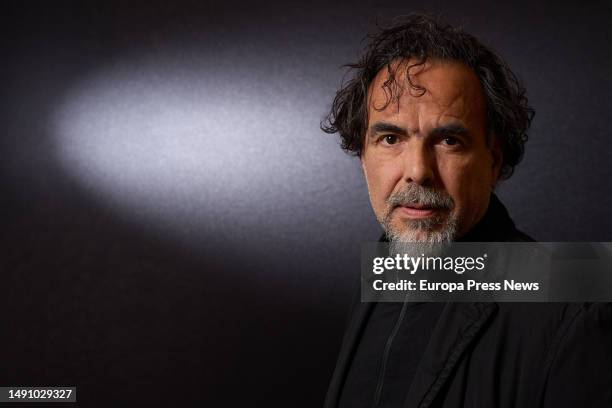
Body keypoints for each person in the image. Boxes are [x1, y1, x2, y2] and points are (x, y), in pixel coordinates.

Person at [321, 14, 612, 408]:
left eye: (448, 141)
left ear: (493, 159)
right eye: (390, 138)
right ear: (363, 157)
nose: (418, 171)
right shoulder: (383, 271)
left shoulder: (575, 311)